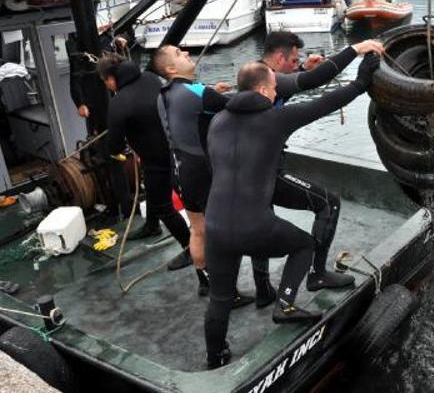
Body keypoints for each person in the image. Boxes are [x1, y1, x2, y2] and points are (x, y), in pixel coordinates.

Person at [203, 55, 380, 368]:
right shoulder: (274, 119)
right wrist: (362, 81)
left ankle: (215, 359)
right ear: (261, 90)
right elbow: (324, 103)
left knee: (219, 299)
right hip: (253, 226)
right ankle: (284, 304)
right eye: (273, 89)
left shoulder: (217, 122)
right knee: (304, 245)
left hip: (215, 227)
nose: (275, 94)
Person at [260, 31, 384, 291]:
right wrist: (357, 51)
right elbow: (316, 87)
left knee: (261, 216)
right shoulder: (269, 80)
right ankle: (316, 275)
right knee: (329, 203)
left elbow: (300, 83)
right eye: (294, 61)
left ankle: (263, 289)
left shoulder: (254, 82)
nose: (297, 66)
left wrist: (304, 68)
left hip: (249, 173)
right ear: (280, 58)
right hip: (266, 172)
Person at [150, 46, 262, 306]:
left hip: (178, 170)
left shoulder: (164, 94)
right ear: (170, 69)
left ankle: (206, 282)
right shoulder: (198, 93)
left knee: (198, 230)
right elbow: (243, 103)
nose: (187, 52)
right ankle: (226, 293)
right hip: (201, 171)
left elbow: (194, 106)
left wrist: (212, 91)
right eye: (179, 54)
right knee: (221, 231)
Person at [96, 53, 191, 269]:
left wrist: (116, 153)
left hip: (157, 159)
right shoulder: (150, 77)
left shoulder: (119, 102)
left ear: (111, 78)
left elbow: (114, 144)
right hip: (178, 148)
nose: (108, 86)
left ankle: (190, 249)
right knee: (150, 187)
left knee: (163, 205)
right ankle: (151, 225)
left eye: (105, 82)